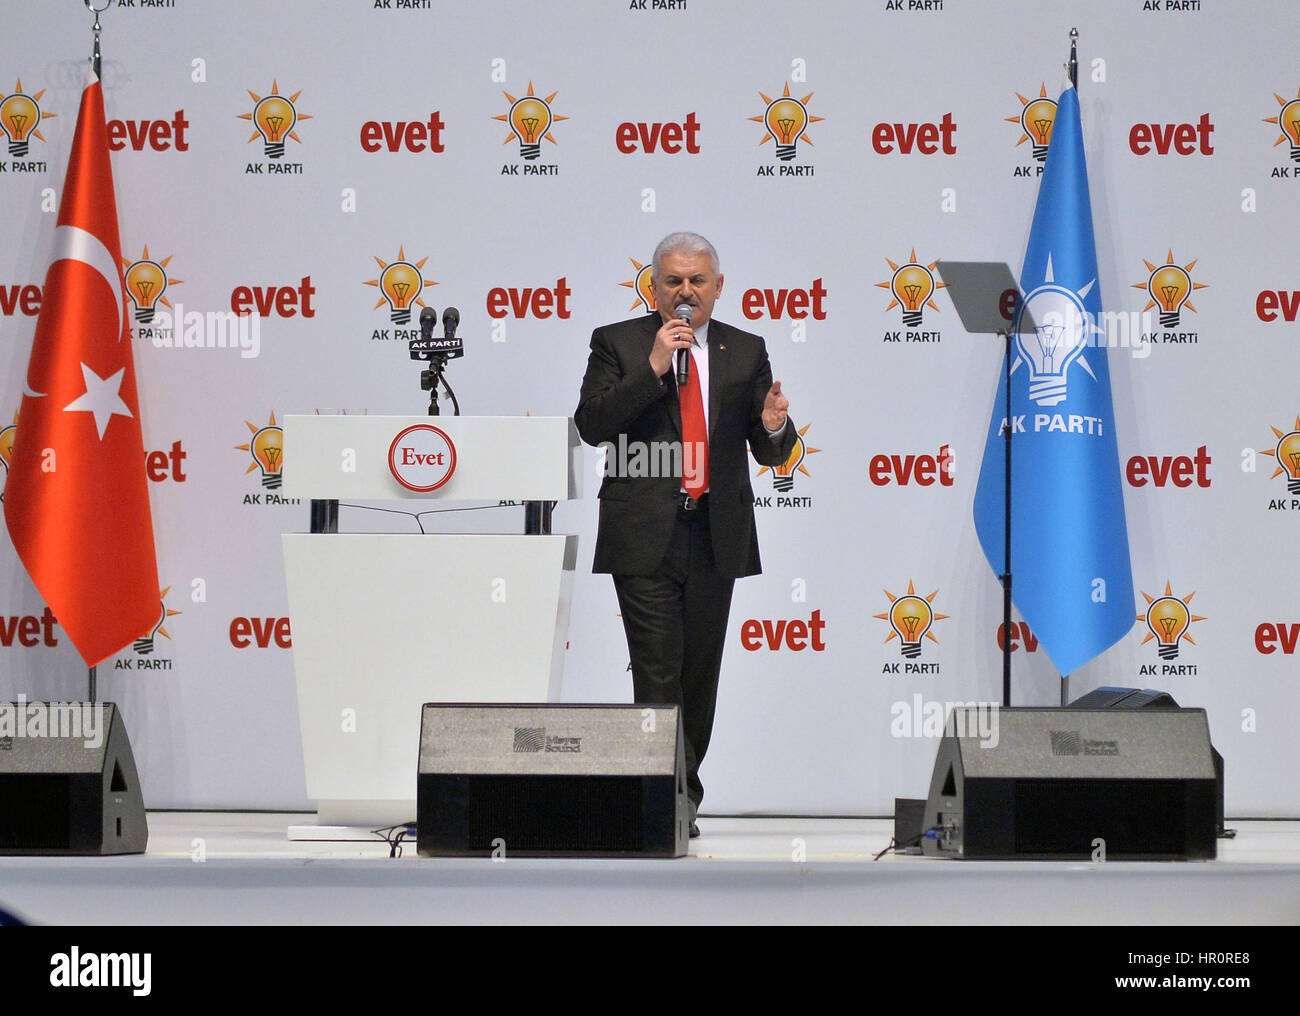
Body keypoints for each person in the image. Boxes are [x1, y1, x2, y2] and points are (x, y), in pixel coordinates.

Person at [575, 232, 795, 837]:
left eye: (697, 281)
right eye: (673, 280)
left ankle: (682, 796)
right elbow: (592, 425)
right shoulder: (618, 342)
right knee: (656, 670)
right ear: (654, 286)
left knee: (699, 675)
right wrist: (650, 368)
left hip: (715, 535)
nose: (685, 292)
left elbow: (771, 449)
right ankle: (658, 800)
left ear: (718, 288)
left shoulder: (745, 351)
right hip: (644, 534)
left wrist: (776, 427)